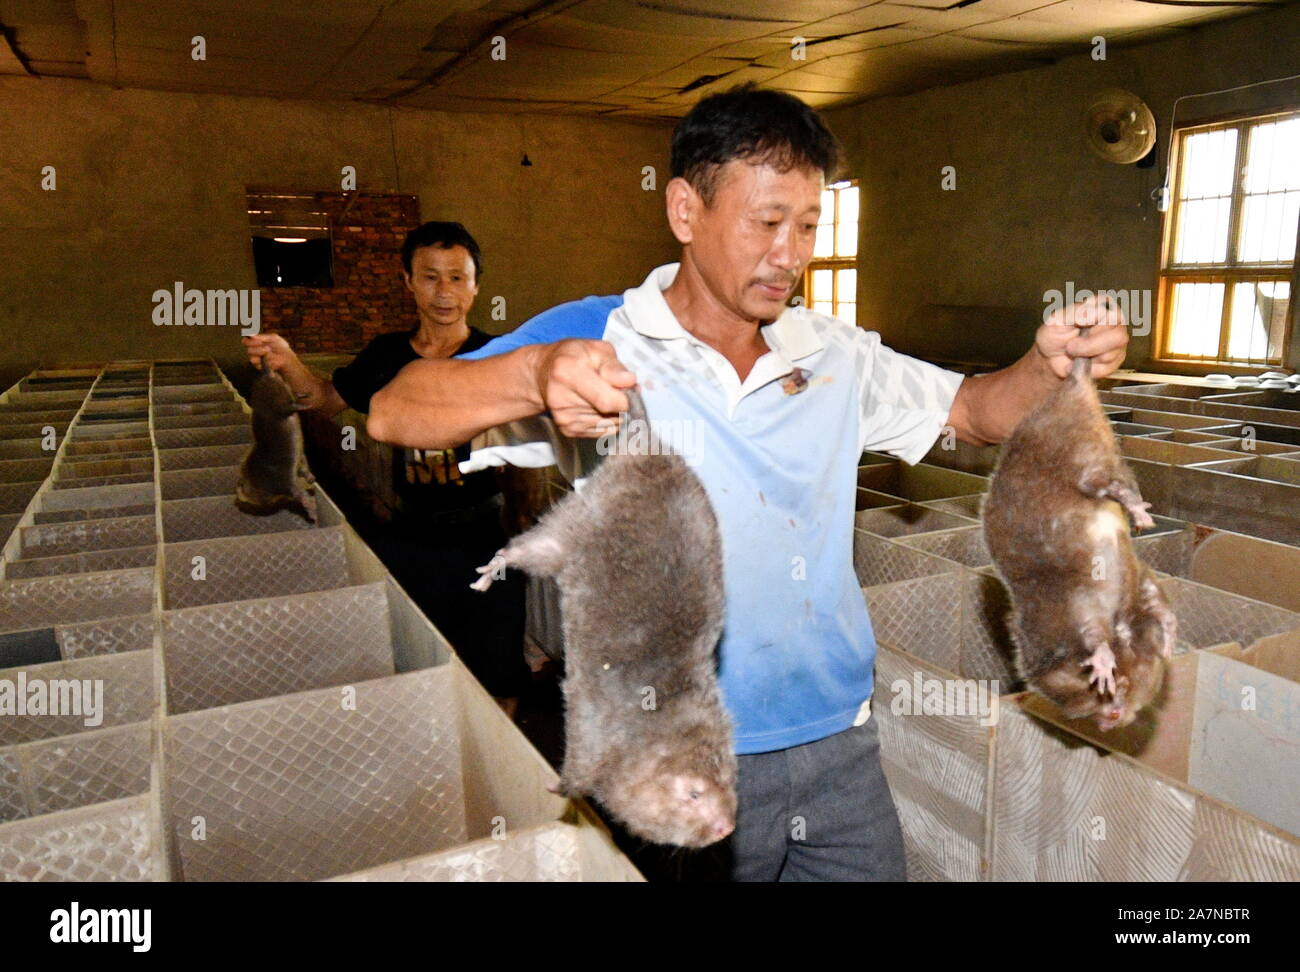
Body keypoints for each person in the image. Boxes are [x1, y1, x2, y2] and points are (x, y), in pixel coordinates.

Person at [365, 85, 1129, 881]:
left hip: (840, 741)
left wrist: (1047, 369)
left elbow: (974, 411)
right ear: (685, 211)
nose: (790, 255)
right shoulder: (605, 334)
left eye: (807, 227)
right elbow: (395, 412)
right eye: (766, 222)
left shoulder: (833, 351)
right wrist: (535, 371)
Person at [241, 221, 529, 715]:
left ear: (476, 285)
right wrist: (288, 362)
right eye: (431, 277)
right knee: (421, 659)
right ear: (408, 282)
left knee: (498, 667)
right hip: (411, 534)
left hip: (486, 534)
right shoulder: (386, 354)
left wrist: (522, 523)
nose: (445, 292)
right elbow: (326, 401)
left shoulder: (497, 356)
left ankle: (500, 760)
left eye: (458, 278)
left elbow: (526, 451)